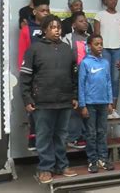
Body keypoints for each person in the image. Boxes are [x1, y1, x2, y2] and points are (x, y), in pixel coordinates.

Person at [20, 15, 78, 183]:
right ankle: (45, 168)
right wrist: (27, 99)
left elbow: (74, 75)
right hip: (42, 102)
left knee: (61, 136)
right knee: (44, 136)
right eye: (53, 27)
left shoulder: (67, 49)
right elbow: (25, 78)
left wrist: (74, 96)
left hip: (65, 101)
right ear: (44, 30)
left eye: (59, 27)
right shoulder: (34, 49)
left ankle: (62, 165)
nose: (57, 30)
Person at [17, 0, 50, 151]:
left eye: (47, 10)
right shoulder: (26, 30)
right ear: (35, 11)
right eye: (42, 10)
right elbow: (22, 56)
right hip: (34, 77)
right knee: (34, 110)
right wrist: (26, 79)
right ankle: (33, 138)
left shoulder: (52, 30)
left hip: (50, 78)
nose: (45, 13)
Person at [79, 34, 115, 173]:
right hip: (90, 104)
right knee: (91, 133)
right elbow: (81, 85)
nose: (100, 46)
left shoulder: (105, 63)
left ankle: (103, 159)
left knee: (102, 132)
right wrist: (83, 105)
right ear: (89, 45)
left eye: (101, 43)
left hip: (103, 103)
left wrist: (110, 101)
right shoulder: (85, 63)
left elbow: (108, 83)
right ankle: (92, 160)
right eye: (96, 44)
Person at [94, 0, 120, 118]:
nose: (113, 1)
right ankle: (105, 108)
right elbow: (96, 35)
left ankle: (113, 109)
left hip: (118, 49)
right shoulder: (99, 15)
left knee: (115, 79)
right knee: (104, 79)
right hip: (104, 50)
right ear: (105, 1)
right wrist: (97, 52)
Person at [62, 11, 90, 149]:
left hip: (89, 79)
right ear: (73, 24)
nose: (84, 23)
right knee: (75, 107)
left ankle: (86, 135)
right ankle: (73, 137)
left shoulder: (90, 38)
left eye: (85, 21)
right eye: (81, 21)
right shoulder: (67, 38)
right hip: (74, 78)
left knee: (87, 107)